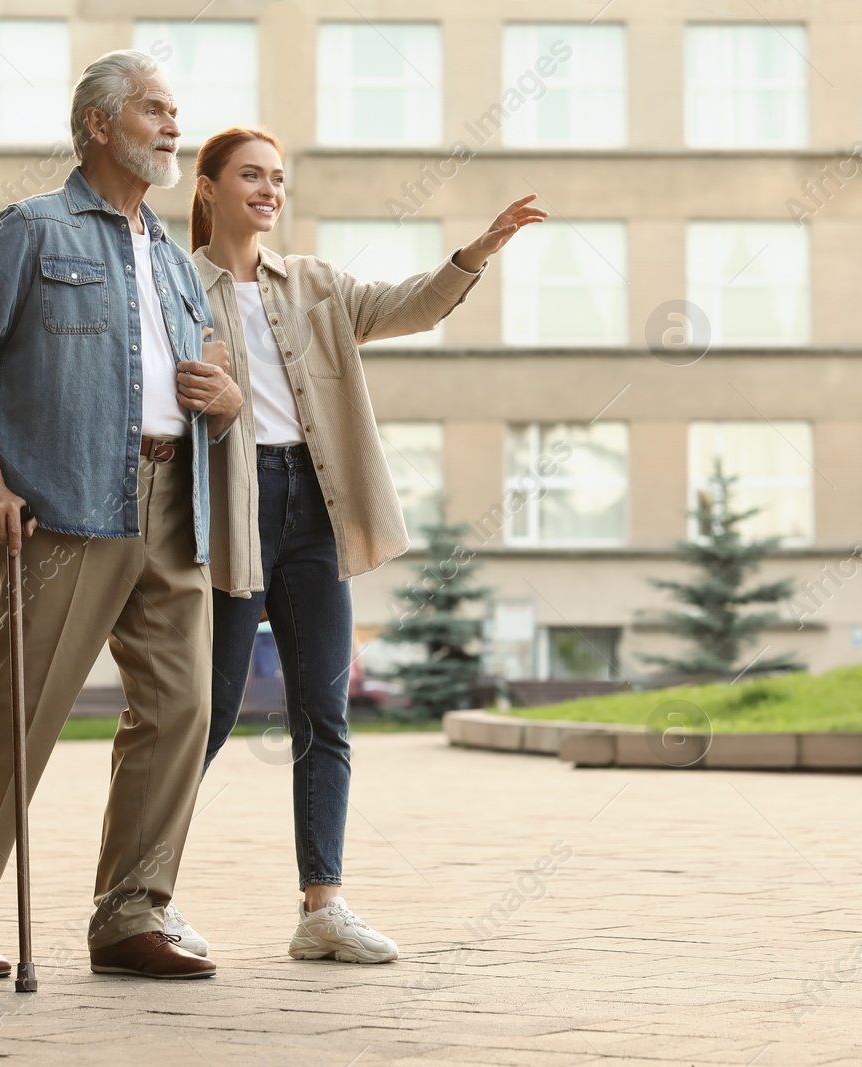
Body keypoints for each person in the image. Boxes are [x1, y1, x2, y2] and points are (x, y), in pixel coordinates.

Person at [163, 127, 546, 963]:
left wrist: (474, 253)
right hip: (230, 506)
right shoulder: (174, 284)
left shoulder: (313, 284)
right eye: (252, 176)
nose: (270, 190)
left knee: (323, 714)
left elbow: (409, 305)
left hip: (314, 506)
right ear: (209, 186)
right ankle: (142, 892)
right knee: (209, 713)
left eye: (278, 179)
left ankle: (323, 907)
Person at [0, 50, 242, 981]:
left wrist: (221, 391)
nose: (173, 127)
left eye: (176, 113)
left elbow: (202, 374)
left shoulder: (175, 262)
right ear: (99, 125)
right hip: (62, 506)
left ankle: (132, 912)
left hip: (177, 504)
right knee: (24, 711)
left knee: (181, 709)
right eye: (154, 111)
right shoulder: (33, 230)